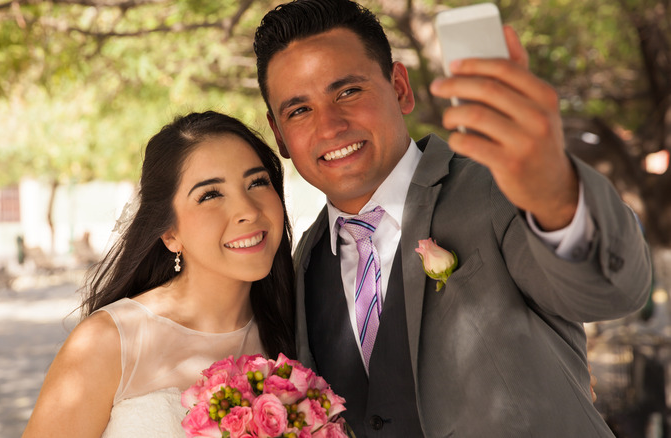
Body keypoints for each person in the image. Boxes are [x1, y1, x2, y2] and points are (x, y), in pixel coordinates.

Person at [253, 0, 652, 436]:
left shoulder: (500, 190)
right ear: (279, 136)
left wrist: (555, 190)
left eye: (348, 92)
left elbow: (612, 292)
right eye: (299, 110)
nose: (330, 126)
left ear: (400, 88)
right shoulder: (299, 265)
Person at [22, 111, 295, 437]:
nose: (248, 211)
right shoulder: (108, 342)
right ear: (169, 232)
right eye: (210, 195)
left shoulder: (295, 328)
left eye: (258, 182)